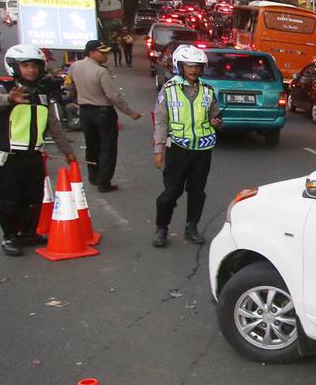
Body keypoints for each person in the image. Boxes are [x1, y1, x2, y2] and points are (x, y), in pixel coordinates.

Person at [0, 45, 77, 256]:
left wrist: (68, 152)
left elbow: (54, 126)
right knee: (9, 201)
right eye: (25, 65)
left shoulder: (42, 95)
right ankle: (9, 236)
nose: (31, 70)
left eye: (34, 65)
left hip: (34, 156)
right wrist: (8, 99)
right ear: (14, 67)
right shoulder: (4, 89)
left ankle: (28, 233)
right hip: (9, 157)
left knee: (34, 199)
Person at [152, 44, 223, 247]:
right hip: (178, 150)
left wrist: (217, 122)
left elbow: (215, 116)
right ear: (180, 66)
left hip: (202, 150)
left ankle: (191, 227)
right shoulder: (169, 90)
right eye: (190, 66)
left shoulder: (208, 90)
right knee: (171, 192)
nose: (194, 70)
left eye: (198, 66)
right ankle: (162, 228)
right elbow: (161, 121)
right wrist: (159, 150)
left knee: (197, 191)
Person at [68, 39, 142, 192]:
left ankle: (94, 177)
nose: (106, 55)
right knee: (107, 147)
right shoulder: (101, 71)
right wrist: (130, 112)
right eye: (102, 52)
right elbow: (113, 96)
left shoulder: (75, 66)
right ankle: (104, 182)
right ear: (92, 53)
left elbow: (69, 85)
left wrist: (78, 98)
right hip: (103, 113)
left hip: (85, 112)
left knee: (91, 146)